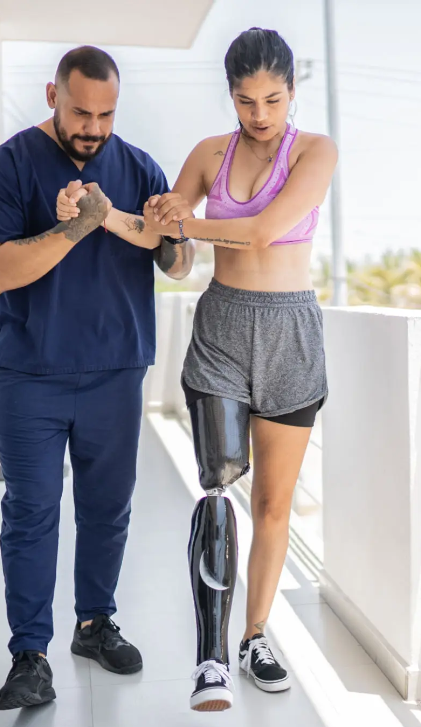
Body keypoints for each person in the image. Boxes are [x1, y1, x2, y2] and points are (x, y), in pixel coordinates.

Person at [0, 45, 194, 711]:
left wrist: (174, 235)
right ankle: (30, 653)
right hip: (29, 372)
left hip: (117, 368)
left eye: (105, 113)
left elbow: (176, 265)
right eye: (80, 111)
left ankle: (95, 623)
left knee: (107, 509)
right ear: (51, 94)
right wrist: (71, 230)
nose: (92, 126)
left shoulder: (140, 164)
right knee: (31, 511)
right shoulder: (8, 166)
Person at [144, 27, 337, 712]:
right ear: (230, 93)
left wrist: (183, 223)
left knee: (272, 505)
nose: (260, 114)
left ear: (291, 91)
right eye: (246, 100)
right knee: (217, 489)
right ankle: (210, 655)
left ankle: (257, 634)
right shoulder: (208, 154)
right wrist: (124, 221)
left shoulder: (315, 151)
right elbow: (170, 247)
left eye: (273, 99)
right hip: (223, 328)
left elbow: (259, 230)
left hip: (290, 331)